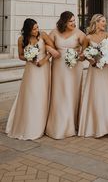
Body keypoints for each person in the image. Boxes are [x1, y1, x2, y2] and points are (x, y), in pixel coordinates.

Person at [6, 18, 58, 140]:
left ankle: (42, 124)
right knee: (31, 95)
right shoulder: (21, 40)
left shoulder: (43, 35)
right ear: (28, 30)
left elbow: (53, 49)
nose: (36, 30)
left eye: (37, 27)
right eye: (34, 29)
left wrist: (44, 60)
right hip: (30, 70)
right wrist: (29, 58)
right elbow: (20, 56)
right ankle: (29, 123)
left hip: (43, 69)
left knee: (42, 94)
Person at [46, 11, 85, 139]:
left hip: (73, 68)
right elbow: (45, 43)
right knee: (59, 93)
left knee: (70, 93)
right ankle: (57, 125)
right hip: (58, 67)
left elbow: (86, 50)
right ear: (64, 22)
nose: (74, 23)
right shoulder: (55, 32)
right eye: (71, 21)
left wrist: (79, 55)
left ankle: (70, 124)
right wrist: (51, 49)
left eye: (74, 20)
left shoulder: (79, 33)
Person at [78, 14, 108, 137]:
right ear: (96, 22)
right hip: (94, 70)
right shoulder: (88, 37)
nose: (105, 23)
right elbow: (83, 54)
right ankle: (94, 125)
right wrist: (91, 60)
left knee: (106, 93)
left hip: (106, 69)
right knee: (95, 94)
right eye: (102, 21)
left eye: (105, 21)